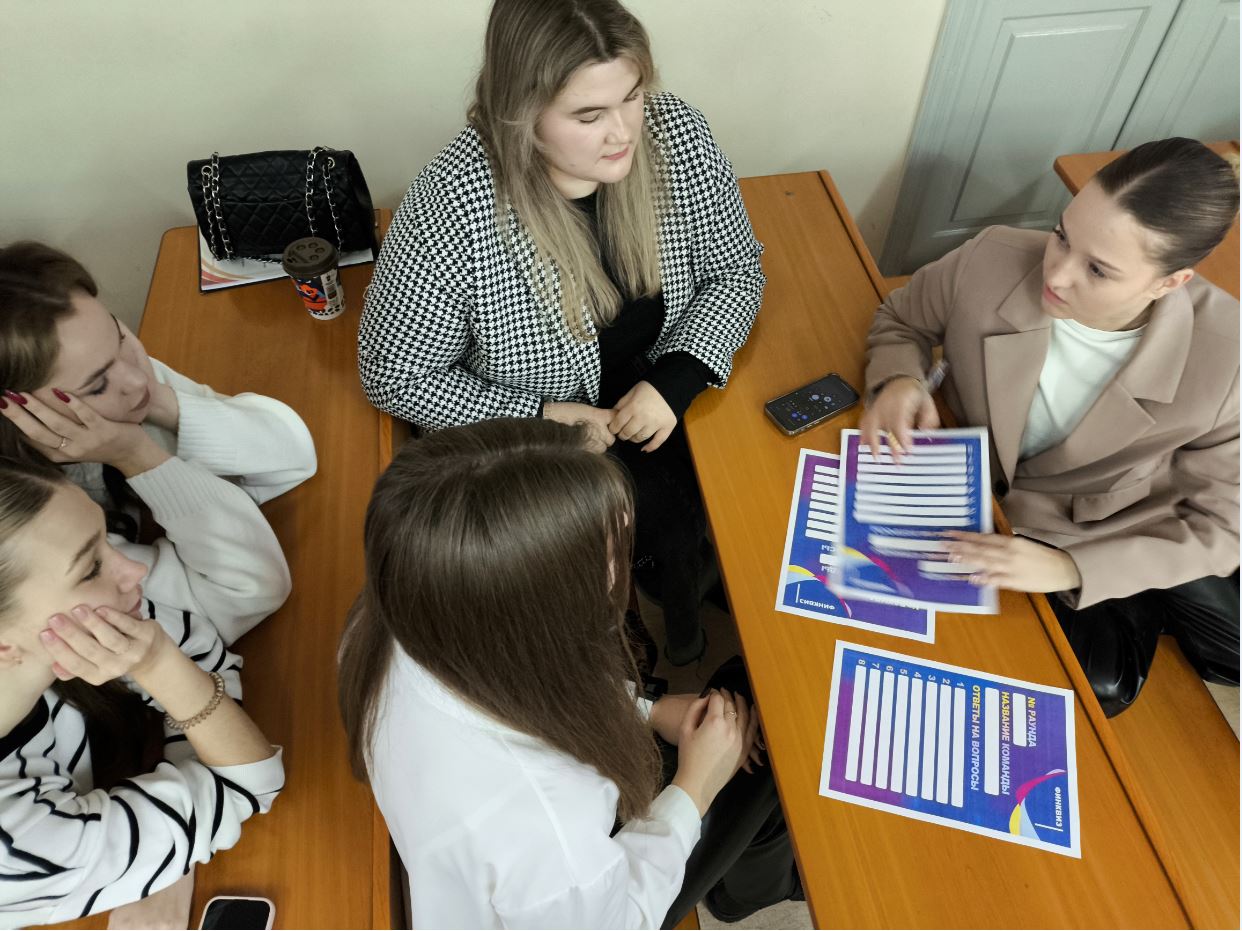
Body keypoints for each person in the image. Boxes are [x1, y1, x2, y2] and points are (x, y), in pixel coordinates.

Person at [357, 0, 765, 665]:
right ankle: (624, 619)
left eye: (631, 96)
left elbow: (736, 269)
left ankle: (679, 580)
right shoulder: (450, 206)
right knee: (617, 536)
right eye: (588, 116)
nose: (623, 132)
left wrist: (680, 376)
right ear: (521, 113)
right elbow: (395, 375)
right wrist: (544, 416)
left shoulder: (677, 134)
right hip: (543, 431)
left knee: (737, 493)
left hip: (662, 389)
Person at [338, 418, 798, 929]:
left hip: (508, 858)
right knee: (770, 721)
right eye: (609, 553)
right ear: (540, 606)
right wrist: (696, 786)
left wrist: (644, 710)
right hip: (595, 901)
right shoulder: (544, 829)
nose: (621, 565)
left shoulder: (399, 614)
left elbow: (526, 678)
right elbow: (619, 918)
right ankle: (745, 894)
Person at [860, 138, 1239, 716]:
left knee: (1103, 683)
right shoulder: (991, 256)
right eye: (1062, 234)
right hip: (976, 493)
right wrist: (899, 381)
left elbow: (1221, 528)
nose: (1055, 273)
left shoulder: (1228, 364)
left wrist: (1070, 567)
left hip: (1097, 527)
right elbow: (900, 319)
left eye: (1098, 269)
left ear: (1170, 282)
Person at [0, 450, 286, 927]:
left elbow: (193, 647)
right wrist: (163, 675)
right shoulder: (16, 848)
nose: (136, 571)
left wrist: (168, 814)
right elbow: (248, 781)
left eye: (105, 541)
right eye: (91, 568)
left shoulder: (67, 631)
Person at [0, 241, 317, 541]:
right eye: (98, 386)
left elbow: (293, 455)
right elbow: (247, 575)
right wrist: (134, 456)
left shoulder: (123, 370)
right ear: (19, 409)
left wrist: (161, 402)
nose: (137, 380)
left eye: (119, 336)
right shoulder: (23, 513)